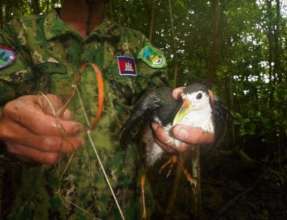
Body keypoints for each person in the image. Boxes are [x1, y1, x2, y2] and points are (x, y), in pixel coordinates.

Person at [0, 0, 214, 219]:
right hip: (41, 210)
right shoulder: (18, 34)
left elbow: (165, 100)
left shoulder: (137, 45)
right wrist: (5, 124)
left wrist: (200, 118)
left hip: (129, 210)